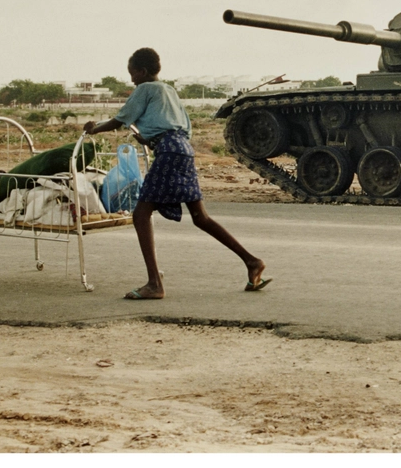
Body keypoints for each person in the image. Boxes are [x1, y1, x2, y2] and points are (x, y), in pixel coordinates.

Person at [83, 47, 268, 299]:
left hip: (168, 152)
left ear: (142, 71)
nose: (132, 79)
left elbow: (120, 119)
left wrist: (94, 129)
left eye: (133, 73)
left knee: (141, 214)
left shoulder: (145, 89)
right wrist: (149, 139)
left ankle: (154, 284)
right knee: (201, 217)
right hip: (183, 149)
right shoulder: (169, 90)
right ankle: (251, 261)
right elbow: (179, 127)